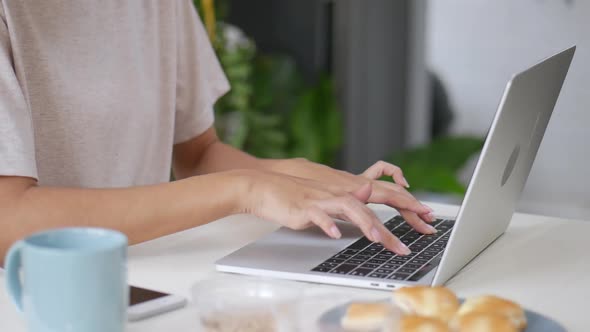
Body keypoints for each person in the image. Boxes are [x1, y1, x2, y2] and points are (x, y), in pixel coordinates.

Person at [0, 0, 436, 264]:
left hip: (143, 280)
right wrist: (246, 189)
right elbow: (9, 221)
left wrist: (299, 176)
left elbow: (199, 154)